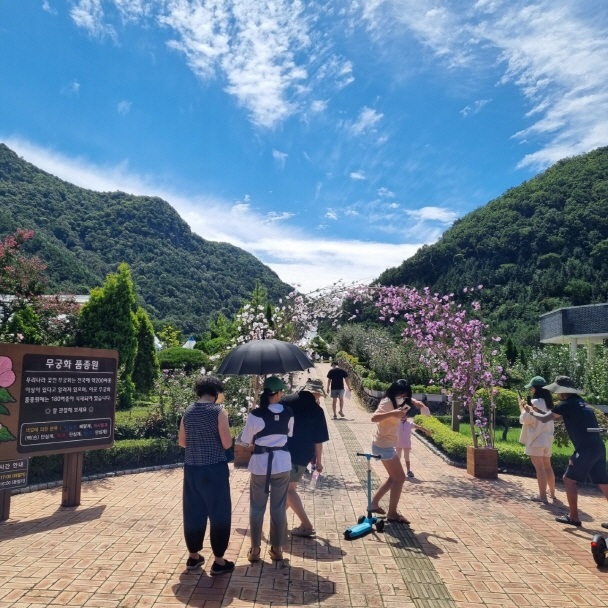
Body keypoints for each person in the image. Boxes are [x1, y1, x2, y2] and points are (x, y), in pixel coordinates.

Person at [529, 375, 608, 527]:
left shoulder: (565, 404)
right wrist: (539, 410)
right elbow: (559, 418)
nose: (556, 394)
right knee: (604, 483)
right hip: (598, 446)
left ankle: (574, 517)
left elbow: (546, 419)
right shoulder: (580, 402)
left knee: (568, 479)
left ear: (562, 392)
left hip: (585, 449)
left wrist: (531, 412)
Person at [178, 376, 235, 575]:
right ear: (216, 393)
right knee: (219, 512)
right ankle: (219, 560)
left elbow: (182, 442)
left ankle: (193, 556)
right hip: (214, 469)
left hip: (192, 469)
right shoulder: (219, 411)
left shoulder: (188, 411)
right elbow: (227, 444)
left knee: (193, 512)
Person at [240, 376, 294, 562]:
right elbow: (289, 434)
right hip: (282, 463)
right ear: (278, 393)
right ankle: (277, 549)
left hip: (261, 465)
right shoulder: (288, 413)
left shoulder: (256, 414)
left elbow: (246, 441)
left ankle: (255, 550)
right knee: (278, 507)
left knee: (257, 507)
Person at [369, 379, 426, 524]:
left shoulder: (398, 400)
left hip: (385, 443)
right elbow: (373, 418)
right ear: (393, 392)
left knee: (393, 478)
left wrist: (414, 402)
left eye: (405, 394)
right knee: (399, 478)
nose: (402, 397)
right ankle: (392, 513)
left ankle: (374, 504)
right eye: (400, 394)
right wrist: (392, 413)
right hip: (383, 444)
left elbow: (404, 399)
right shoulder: (387, 402)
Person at [282, 378, 330, 537]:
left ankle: (289, 522)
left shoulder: (285, 400)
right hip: (301, 456)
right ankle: (304, 525)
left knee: (288, 490)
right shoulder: (317, 410)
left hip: (281, 451)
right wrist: (319, 462)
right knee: (290, 489)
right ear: (316, 393)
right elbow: (318, 441)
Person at [517, 376, 556, 503]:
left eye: (531, 388)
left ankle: (542, 496)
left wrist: (521, 407)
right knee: (547, 466)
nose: (531, 390)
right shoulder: (549, 404)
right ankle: (552, 493)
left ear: (535, 389)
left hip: (536, 440)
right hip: (548, 439)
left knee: (539, 468)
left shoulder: (534, 403)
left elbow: (526, 420)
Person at [396, 404, 432, 478]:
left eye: (404, 415)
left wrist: (426, 431)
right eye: (401, 415)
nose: (403, 416)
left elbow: (418, 427)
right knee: (397, 458)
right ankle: (397, 471)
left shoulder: (409, 424)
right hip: (397, 444)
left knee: (407, 458)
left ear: (407, 416)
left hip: (406, 444)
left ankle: (408, 471)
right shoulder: (396, 423)